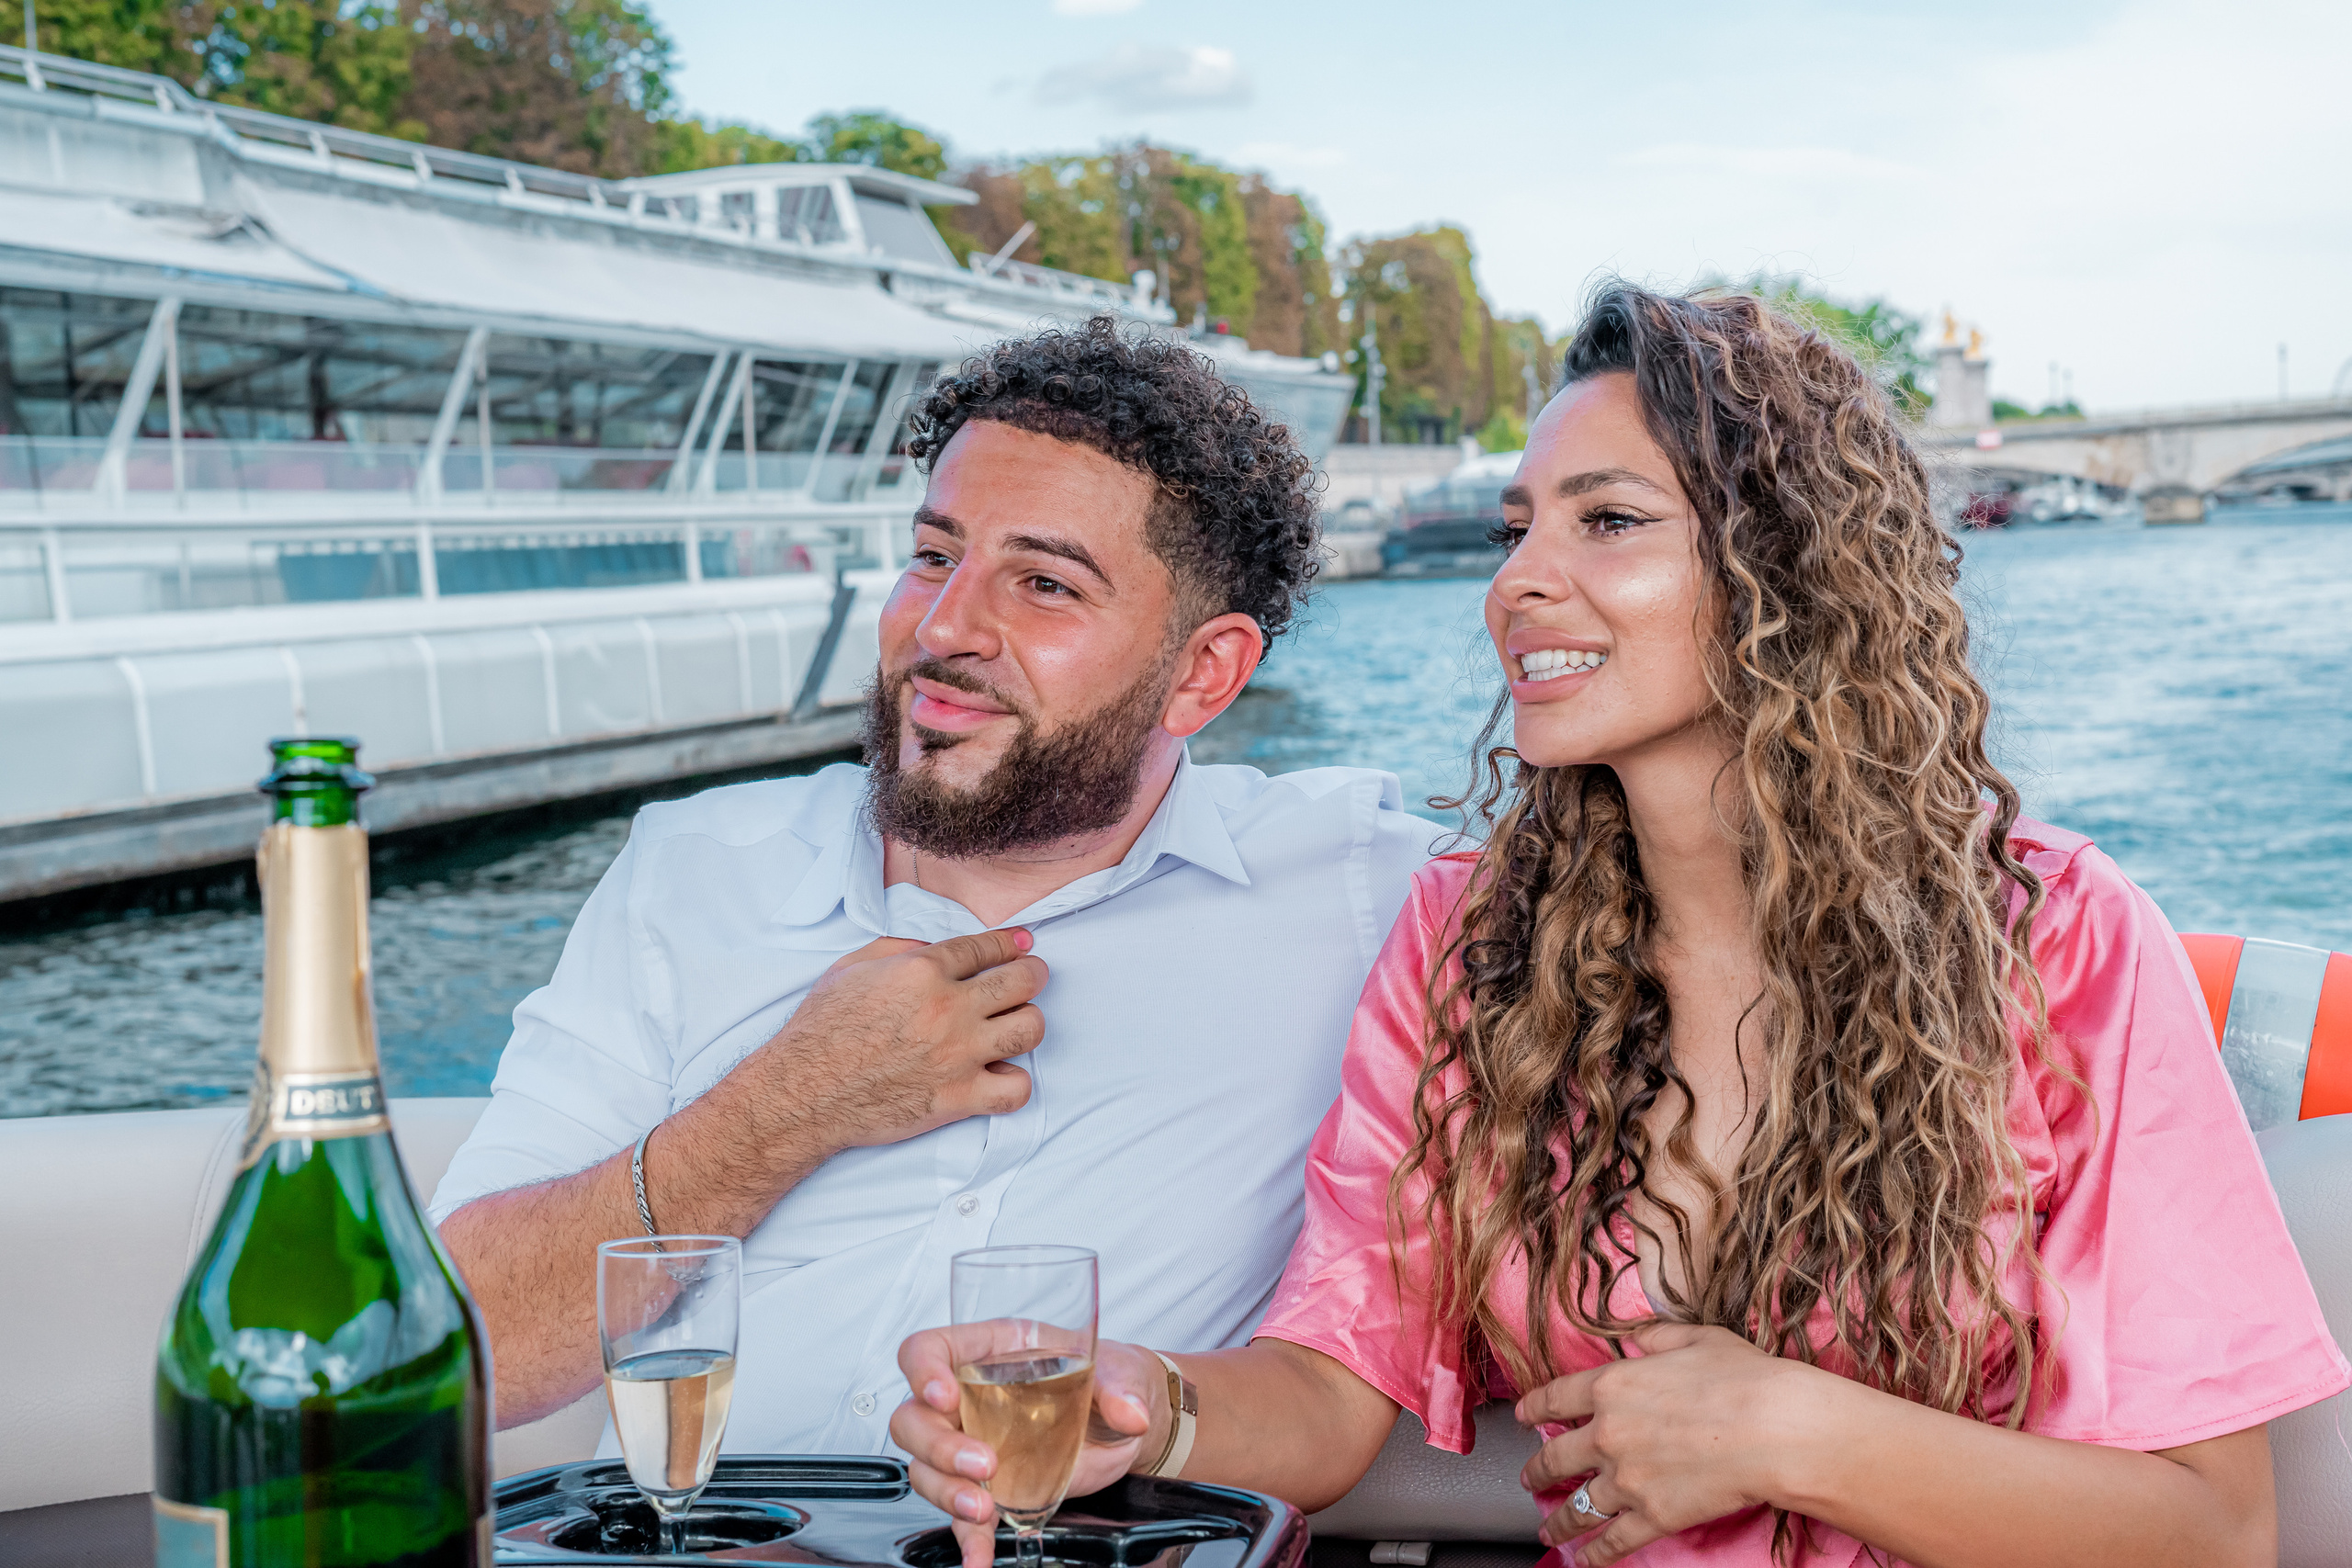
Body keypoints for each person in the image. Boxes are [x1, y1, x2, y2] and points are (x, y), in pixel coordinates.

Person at [892, 285, 2352, 1568]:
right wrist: (1140, 1399)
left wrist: (1788, 1427)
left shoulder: (2060, 932)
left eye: (1610, 520)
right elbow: (1336, 1386)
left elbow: (2214, 1532)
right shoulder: (1466, 939)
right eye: (1523, 524)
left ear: (1789, 573)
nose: (1519, 576)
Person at [428, 319, 1430, 1449]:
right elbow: (457, 1359)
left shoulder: (1364, 893)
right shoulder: (694, 868)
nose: (944, 626)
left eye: (1044, 584)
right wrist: (784, 1109)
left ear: (1204, 673)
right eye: (934, 555)